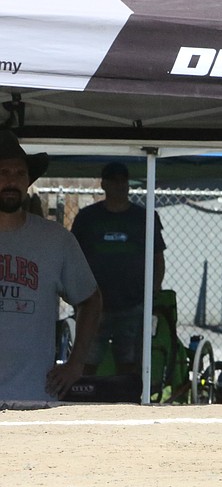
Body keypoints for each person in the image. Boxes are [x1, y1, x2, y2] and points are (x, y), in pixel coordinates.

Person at [0, 131, 102, 405]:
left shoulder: (56, 240)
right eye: (3, 171)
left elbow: (90, 301)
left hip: (34, 397)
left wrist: (76, 363)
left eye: (20, 173)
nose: (11, 180)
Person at [70, 161, 166, 376]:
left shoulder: (145, 217)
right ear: (103, 184)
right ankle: (81, 405)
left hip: (133, 305)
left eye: (123, 180)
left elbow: (158, 257)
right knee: (86, 363)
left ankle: (129, 404)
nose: (119, 185)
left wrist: (154, 290)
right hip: (93, 304)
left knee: (130, 364)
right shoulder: (87, 218)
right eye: (113, 180)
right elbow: (72, 258)